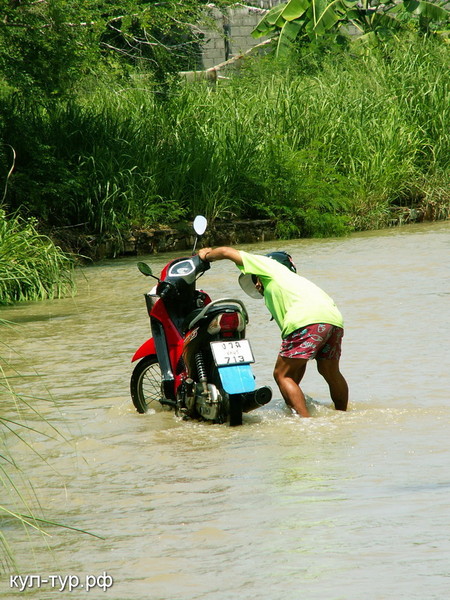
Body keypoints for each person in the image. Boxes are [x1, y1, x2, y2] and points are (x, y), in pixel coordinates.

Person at [197, 246, 348, 417]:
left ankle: (305, 423)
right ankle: (342, 415)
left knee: (281, 375)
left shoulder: (269, 266)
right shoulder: (296, 282)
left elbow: (226, 252)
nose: (256, 285)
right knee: (330, 371)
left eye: (255, 280)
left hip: (305, 321)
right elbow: (299, 361)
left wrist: (205, 256)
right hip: (333, 320)